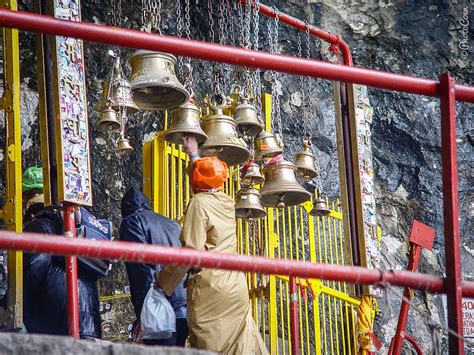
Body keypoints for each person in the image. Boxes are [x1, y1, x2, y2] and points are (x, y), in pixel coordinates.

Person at [156, 136, 268, 354]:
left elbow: (191, 252)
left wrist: (163, 281)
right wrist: (194, 154)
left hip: (211, 288)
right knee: (240, 343)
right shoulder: (225, 201)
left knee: (211, 344)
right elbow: (204, 181)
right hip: (235, 284)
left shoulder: (199, 204)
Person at [21, 166, 101, 339]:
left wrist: (14, 306)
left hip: (57, 323)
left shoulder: (40, 225)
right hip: (89, 319)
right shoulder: (73, 223)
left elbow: (34, 267)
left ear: (27, 199)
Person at [119, 188, 187, 346]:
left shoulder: (132, 222)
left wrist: (143, 313)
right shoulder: (172, 224)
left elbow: (140, 271)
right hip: (184, 304)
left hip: (160, 307)